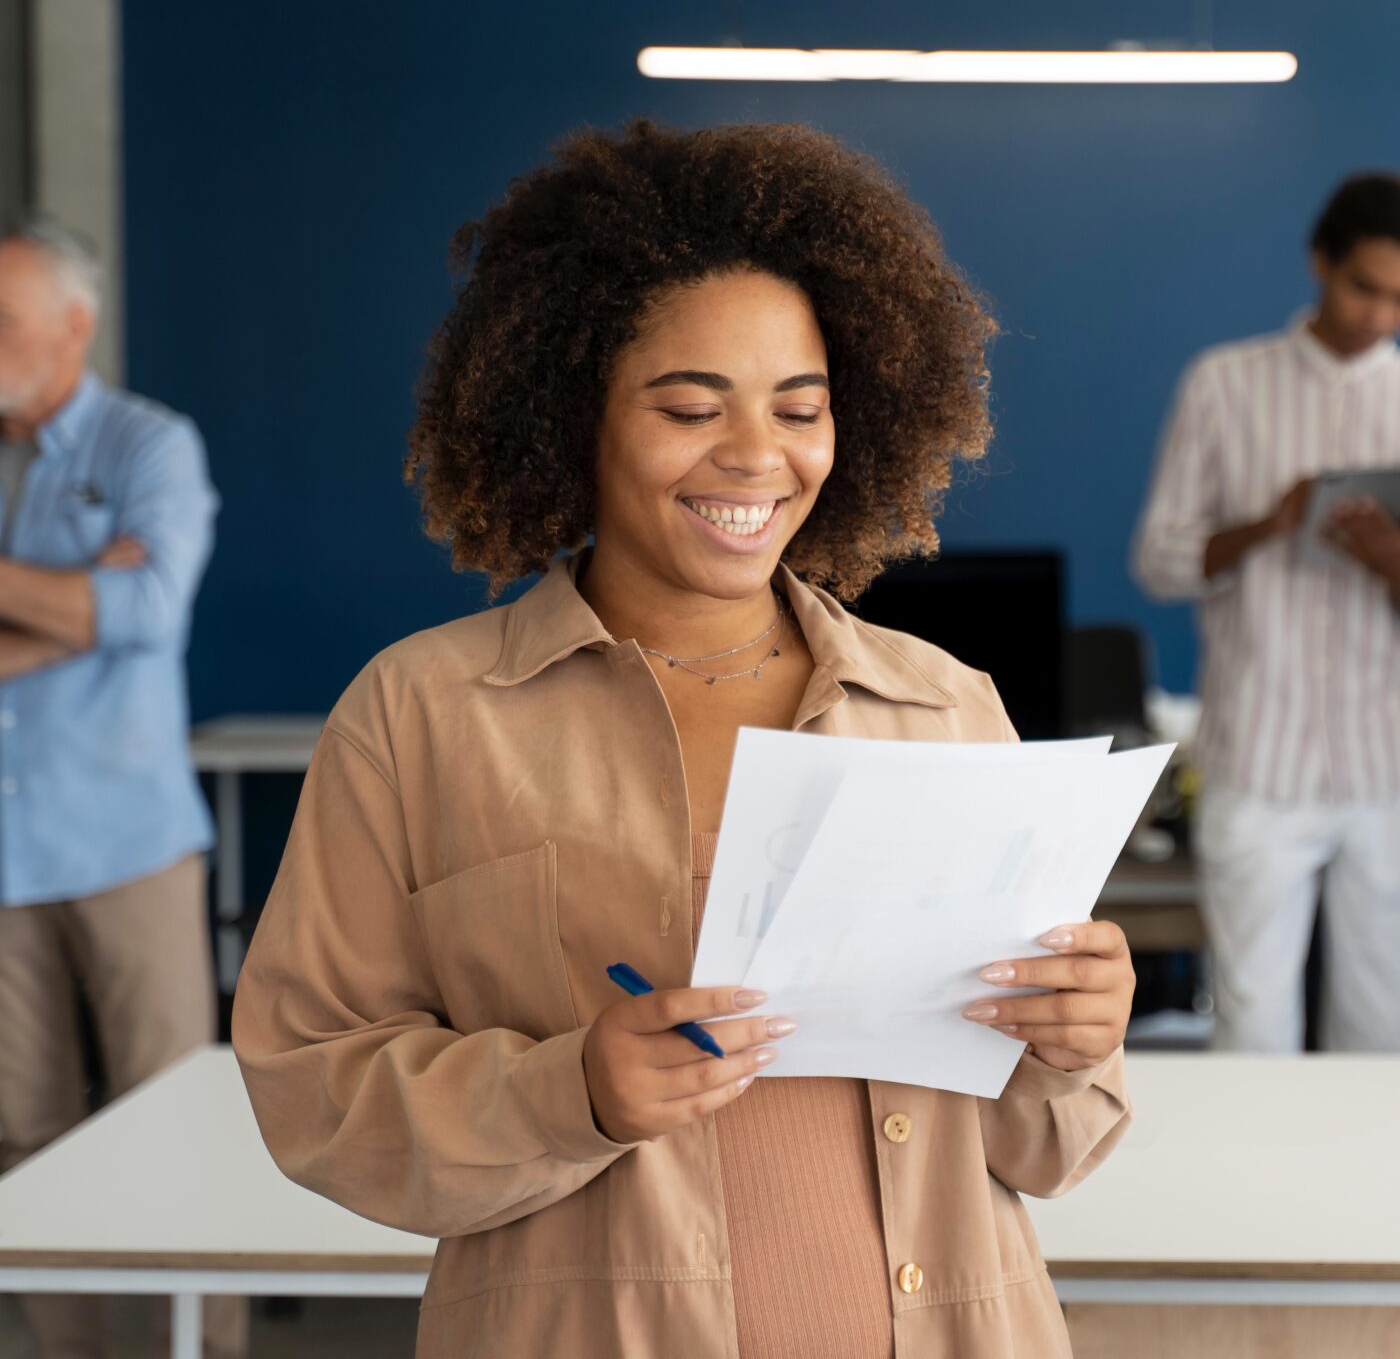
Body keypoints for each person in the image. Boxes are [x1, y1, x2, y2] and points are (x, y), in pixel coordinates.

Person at [232, 119, 1134, 1359]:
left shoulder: (943, 706)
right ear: (570, 416)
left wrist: (1075, 1038)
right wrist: (575, 1092)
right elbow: (311, 1088)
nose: (755, 456)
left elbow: (1047, 1143)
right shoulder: (422, 716)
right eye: (687, 405)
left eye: (798, 407)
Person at [0, 215, 247, 1359]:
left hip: (128, 845)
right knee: (21, 1134)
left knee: (174, 1122)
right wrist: (75, 602)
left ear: (74, 325)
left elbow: (149, 614)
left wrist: (92, 605)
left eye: (3, 322)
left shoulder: (151, 444)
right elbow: (110, 615)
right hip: (5, 863)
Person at [1133, 172, 1400, 1054]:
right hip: (1258, 758)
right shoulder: (1224, 384)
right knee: (1251, 1026)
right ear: (1322, 263)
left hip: (1387, 767)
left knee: (1386, 1029)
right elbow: (1158, 562)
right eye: (1364, 287)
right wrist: (1268, 524)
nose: (1377, 316)